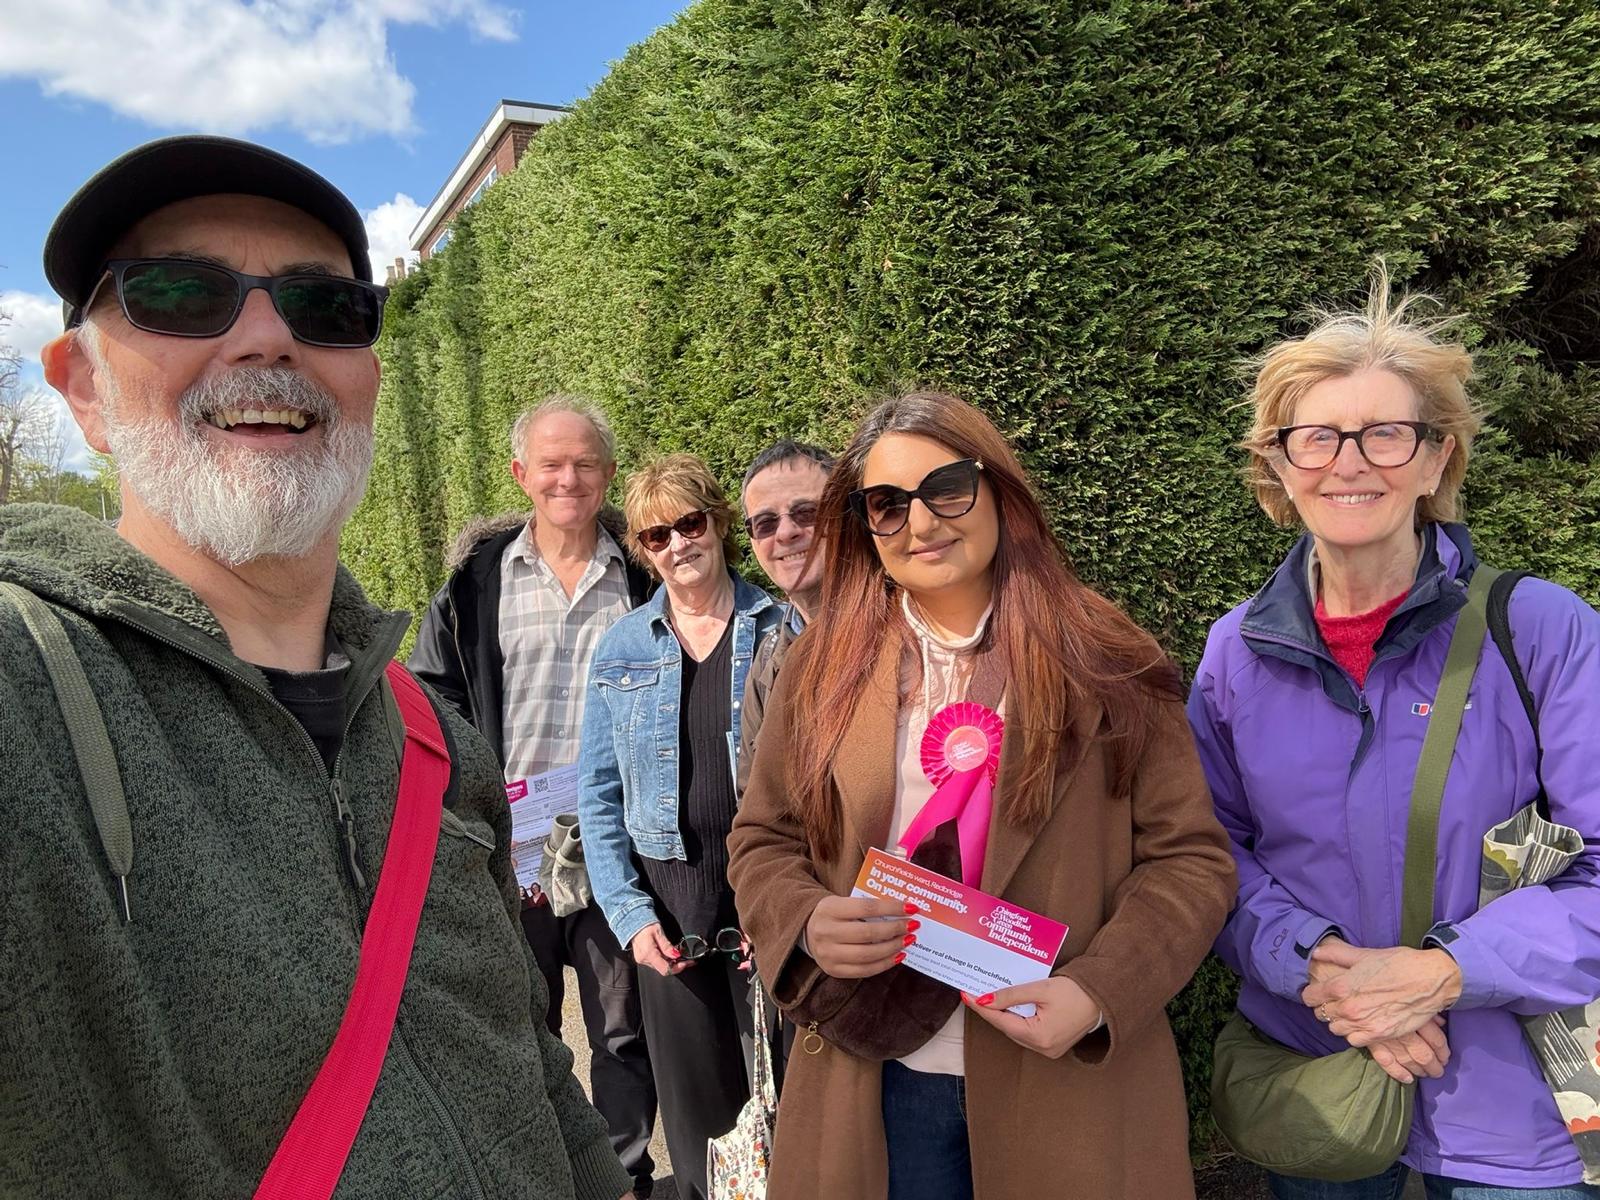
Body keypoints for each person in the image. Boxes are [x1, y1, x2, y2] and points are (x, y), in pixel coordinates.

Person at [2, 134, 634, 1199]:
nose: (264, 336)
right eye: (176, 293)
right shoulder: (27, 693)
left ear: (368, 380)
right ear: (84, 389)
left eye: (323, 307)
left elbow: (527, 1060)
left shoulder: (435, 744)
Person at [726, 390, 1237, 1200]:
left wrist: (1098, 991)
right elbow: (761, 840)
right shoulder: (819, 666)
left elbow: (1191, 861)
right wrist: (805, 920)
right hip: (880, 1077)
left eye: (947, 488)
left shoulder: (1106, 654)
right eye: (888, 505)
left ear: (1000, 490)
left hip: (1064, 1080)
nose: (921, 524)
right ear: (866, 526)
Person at [1189, 265, 1600, 1198]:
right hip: (1325, 1095)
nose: (1350, 460)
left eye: (1386, 433)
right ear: (1278, 466)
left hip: (1518, 1121)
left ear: (1435, 460)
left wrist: (1444, 975)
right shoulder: (1234, 654)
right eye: (1317, 437)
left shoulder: (1541, 631)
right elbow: (1210, 851)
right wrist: (1321, 969)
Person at [410, 395, 658, 1198]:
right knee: (520, 1024)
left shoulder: (648, 575)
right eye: (551, 463)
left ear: (609, 473)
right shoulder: (475, 585)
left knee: (623, 1029)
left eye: (586, 462)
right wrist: (467, 816)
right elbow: (432, 701)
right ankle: (539, 1178)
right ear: (522, 475)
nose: (569, 479)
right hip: (512, 846)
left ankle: (624, 1178)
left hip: (619, 843)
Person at [577, 453, 783, 1200]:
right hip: (671, 927)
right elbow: (597, 798)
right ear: (642, 548)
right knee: (699, 1142)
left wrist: (786, 906)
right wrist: (631, 921)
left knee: (788, 1121)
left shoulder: (778, 627)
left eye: (689, 523)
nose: (677, 545)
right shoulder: (624, 647)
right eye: (657, 535)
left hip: (768, 914)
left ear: (718, 523)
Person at [735, 439, 833, 792]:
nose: (786, 532)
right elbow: (752, 802)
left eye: (807, 512)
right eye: (765, 523)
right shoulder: (767, 660)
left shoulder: (909, 633)